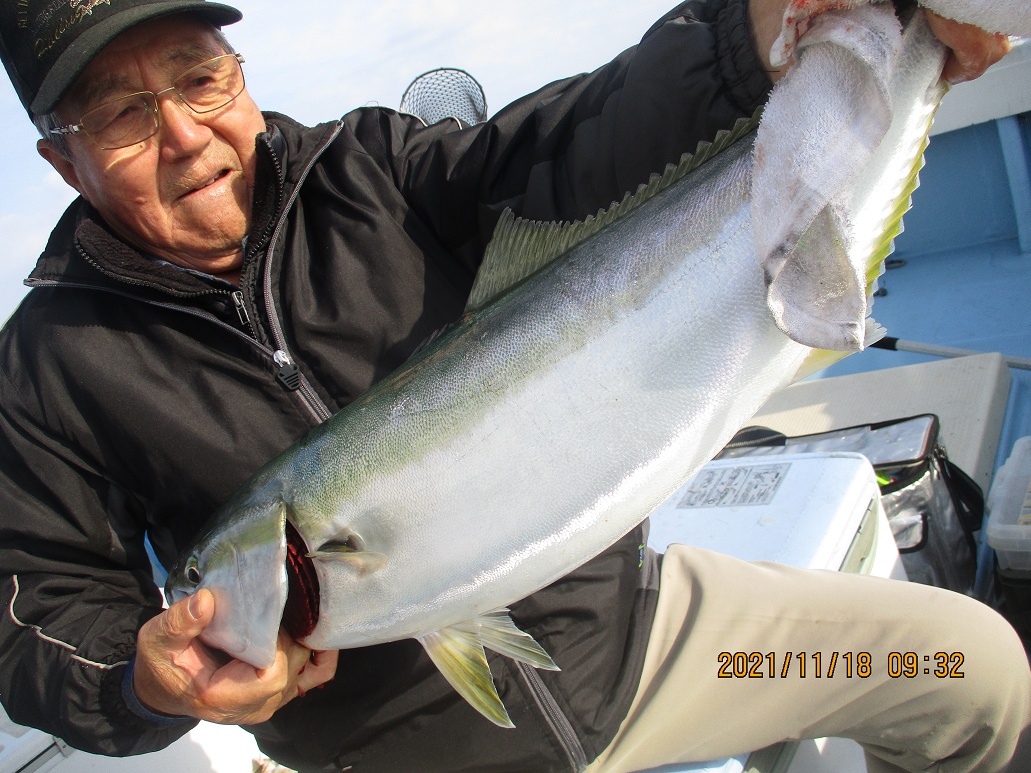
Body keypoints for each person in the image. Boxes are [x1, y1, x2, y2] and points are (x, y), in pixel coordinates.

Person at [0, 0, 1024, 771]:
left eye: (199, 80)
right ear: (62, 161)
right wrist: (141, 671)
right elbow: (33, 608)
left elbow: (570, 144)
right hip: (392, 756)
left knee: (969, 671)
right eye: (126, 119)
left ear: (240, 77)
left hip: (637, 647)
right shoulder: (48, 364)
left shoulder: (369, 168)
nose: (185, 135)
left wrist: (747, 33)